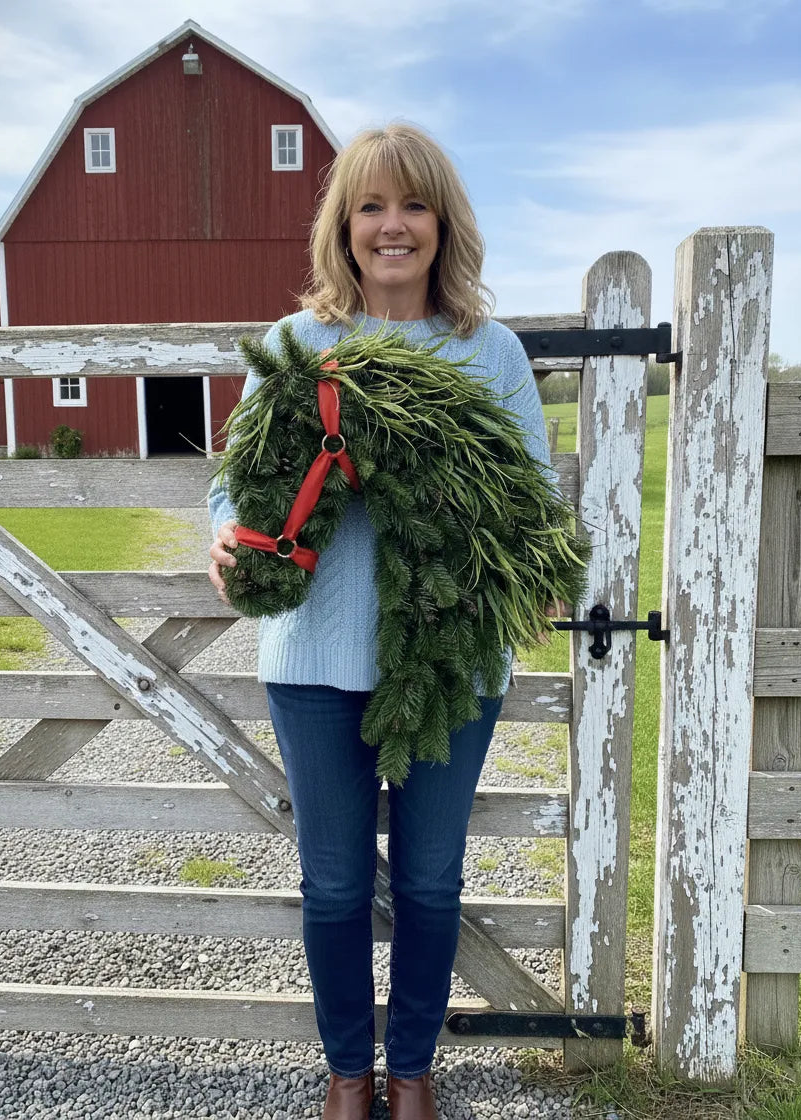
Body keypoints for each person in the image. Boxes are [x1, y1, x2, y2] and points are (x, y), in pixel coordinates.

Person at [208, 122, 556, 1120]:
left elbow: (528, 495)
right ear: (343, 225)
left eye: (411, 204)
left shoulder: (485, 353)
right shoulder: (294, 346)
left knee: (433, 880)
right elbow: (237, 484)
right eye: (369, 206)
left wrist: (526, 563)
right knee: (332, 885)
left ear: (442, 224)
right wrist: (224, 541)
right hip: (315, 654)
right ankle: (346, 1071)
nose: (390, 225)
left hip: (447, 662)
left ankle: (411, 1071)